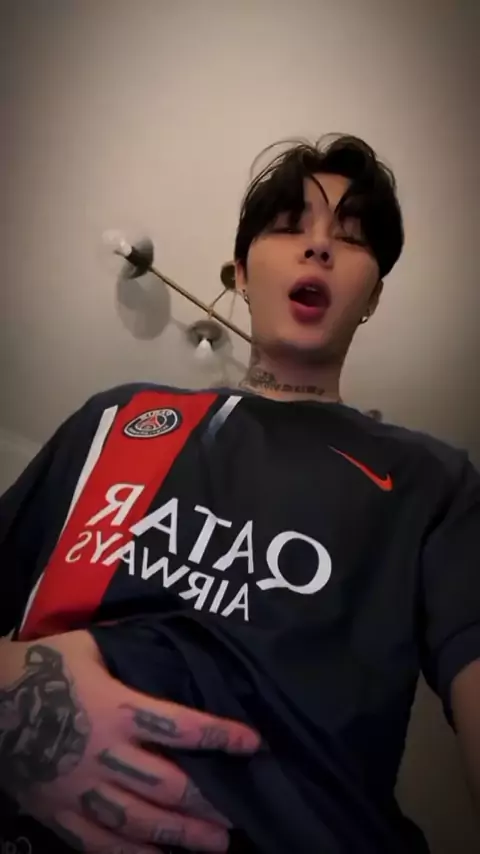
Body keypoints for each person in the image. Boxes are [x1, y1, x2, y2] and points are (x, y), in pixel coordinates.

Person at [0, 134, 479, 854]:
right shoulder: (121, 420)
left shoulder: (430, 479)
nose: (318, 247)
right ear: (241, 274)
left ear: (374, 295)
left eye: (350, 237)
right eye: (289, 226)